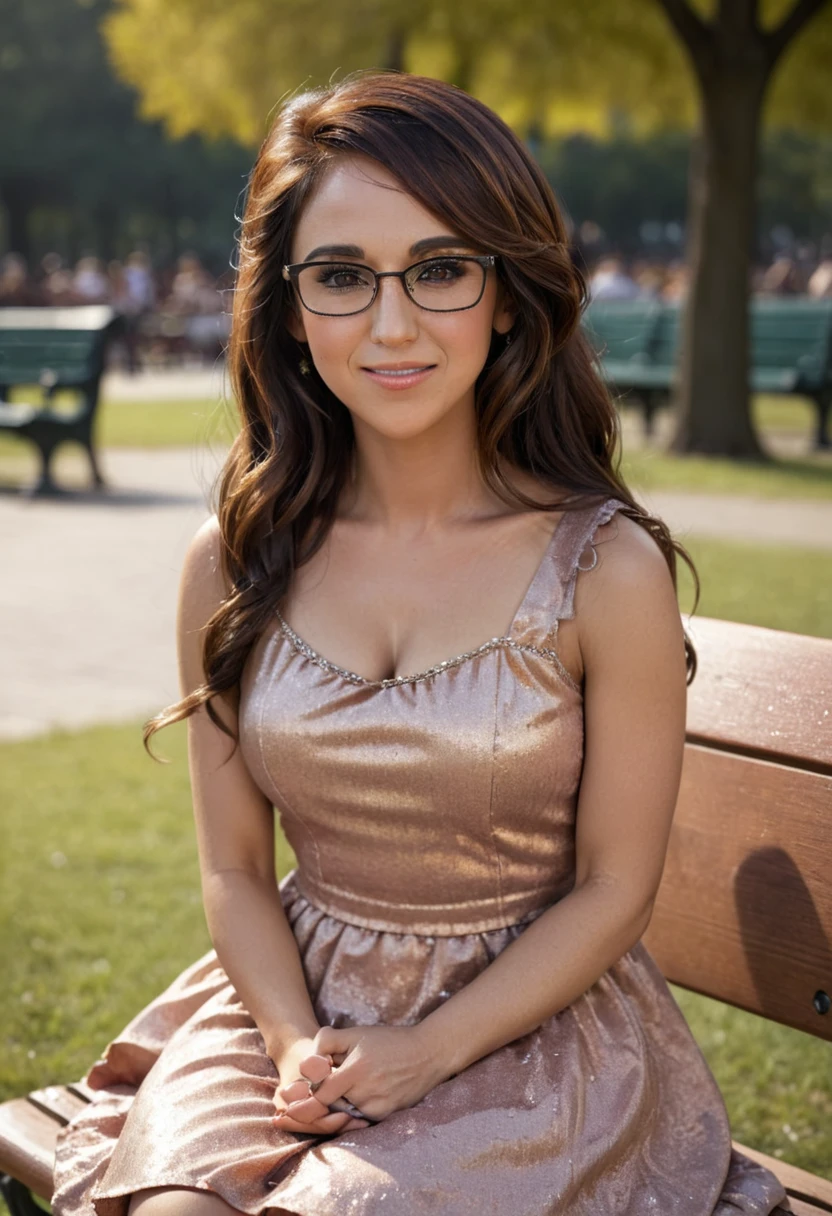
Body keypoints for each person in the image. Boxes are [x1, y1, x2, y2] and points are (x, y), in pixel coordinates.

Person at [51, 71, 789, 1216]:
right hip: (286, 1012)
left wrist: (429, 1048)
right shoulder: (234, 559)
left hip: (532, 1037)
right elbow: (235, 868)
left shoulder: (603, 568)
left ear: (505, 294)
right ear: (290, 309)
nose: (391, 326)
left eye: (439, 270)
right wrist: (296, 1043)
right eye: (342, 277)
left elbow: (612, 889)